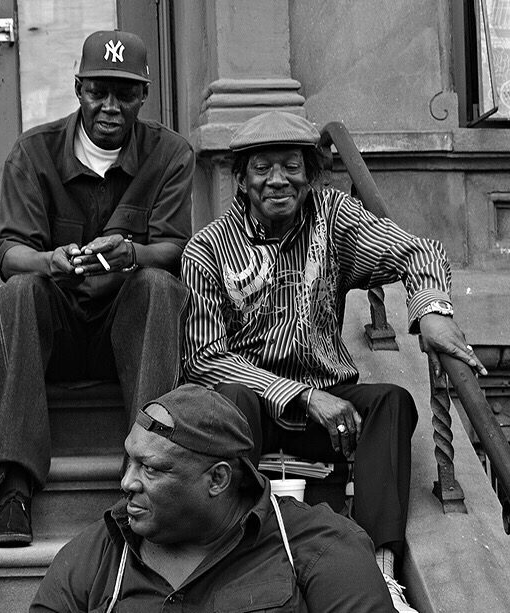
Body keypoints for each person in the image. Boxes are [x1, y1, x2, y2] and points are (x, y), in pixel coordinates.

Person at [181, 110, 487, 612]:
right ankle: (237, 561)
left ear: (311, 173)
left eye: (291, 166)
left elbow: (417, 250)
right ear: (240, 178)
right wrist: (300, 395)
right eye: (262, 168)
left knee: (392, 402)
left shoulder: (334, 217)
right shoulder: (208, 248)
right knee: (228, 400)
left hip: (330, 401)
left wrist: (431, 311)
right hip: (254, 403)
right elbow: (204, 360)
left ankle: (378, 567)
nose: (277, 180)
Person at [0, 29, 193, 547]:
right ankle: (11, 488)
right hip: (54, 335)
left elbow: (176, 249)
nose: (111, 106)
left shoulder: (170, 154)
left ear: (144, 95)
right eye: (99, 91)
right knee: (17, 293)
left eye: (125, 93)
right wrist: (51, 261)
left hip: (124, 336)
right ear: (78, 89)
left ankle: (148, 482)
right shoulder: (35, 151)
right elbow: (8, 252)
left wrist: (133, 255)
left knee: (161, 287)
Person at [31, 384, 398, 612]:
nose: (127, 482)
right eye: (129, 461)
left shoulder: (317, 544)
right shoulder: (100, 552)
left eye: (151, 469)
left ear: (217, 479)